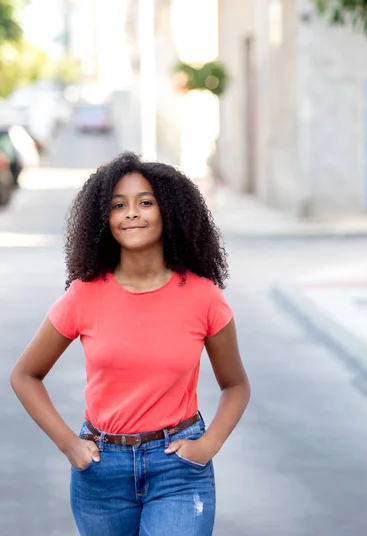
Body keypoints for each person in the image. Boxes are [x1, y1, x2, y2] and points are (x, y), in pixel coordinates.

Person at [10, 151, 250, 536]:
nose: (131, 213)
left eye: (145, 202)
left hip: (178, 469)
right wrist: (69, 445)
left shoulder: (204, 297)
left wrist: (209, 444)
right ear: (104, 219)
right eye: (118, 205)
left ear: (169, 211)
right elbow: (25, 375)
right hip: (102, 469)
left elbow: (236, 385)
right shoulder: (83, 296)